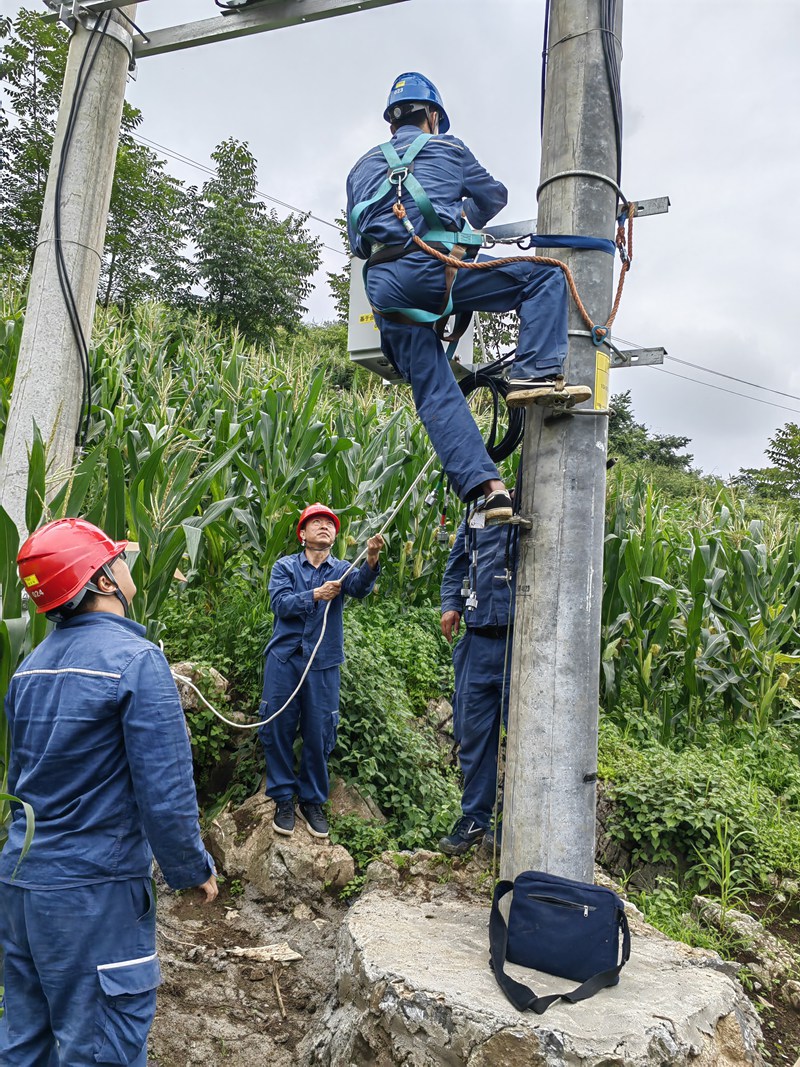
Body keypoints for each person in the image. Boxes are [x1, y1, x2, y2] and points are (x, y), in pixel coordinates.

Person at [0, 517, 217, 1067]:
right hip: (94, 895)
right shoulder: (136, 663)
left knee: (25, 1043)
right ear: (101, 582)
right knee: (98, 1048)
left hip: (22, 886)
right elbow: (165, 791)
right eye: (117, 559)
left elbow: (23, 778)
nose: (126, 564)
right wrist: (192, 869)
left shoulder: (27, 669)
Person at [347, 72, 590, 527]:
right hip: (432, 269)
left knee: (435, 392)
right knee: (544, 278)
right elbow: (493, 195)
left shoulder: (360, 168)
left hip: (381, 286)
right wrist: (461, 226)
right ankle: (532, 375)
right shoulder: (448, 148)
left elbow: (358, 241)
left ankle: (488, 491)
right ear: (433, 117)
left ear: (391, 123)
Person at [258, 503, 384, 840]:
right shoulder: (284, 566)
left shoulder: (342, 568)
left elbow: (359, 587)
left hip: (323, 663)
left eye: (330, 523)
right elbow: (281, 604)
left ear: (335, 536)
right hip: (285, 660)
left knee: (320, 732)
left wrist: (371, 559)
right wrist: (315, 595)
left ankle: (312, 801)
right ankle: (283, 798)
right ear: (302, 534)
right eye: (316, 522)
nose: (324, 527)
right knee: (277, 727)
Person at [438, 508, 518, 856]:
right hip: (477, 641)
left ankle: (511, 823)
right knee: (472, 733)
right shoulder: (473, 519)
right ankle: (474, 818)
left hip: (521, 642)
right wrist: (451, 604)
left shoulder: (528, 512)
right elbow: (457, 565)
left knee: (523, 737)